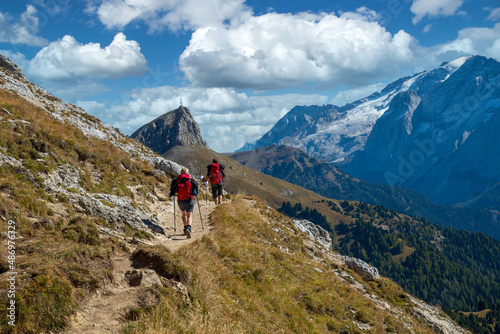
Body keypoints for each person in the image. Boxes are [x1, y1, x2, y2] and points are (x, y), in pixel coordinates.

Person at [169, 167, 198, 238]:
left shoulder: (177, 180)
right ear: (187, 173)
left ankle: (185, 228)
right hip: (189, 199)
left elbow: (173, 190)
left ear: (181, 173)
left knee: (183, 214)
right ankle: (188, 228)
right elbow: (196, 190)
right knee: (189, 215)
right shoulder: (191, 180)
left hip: (180, 200)